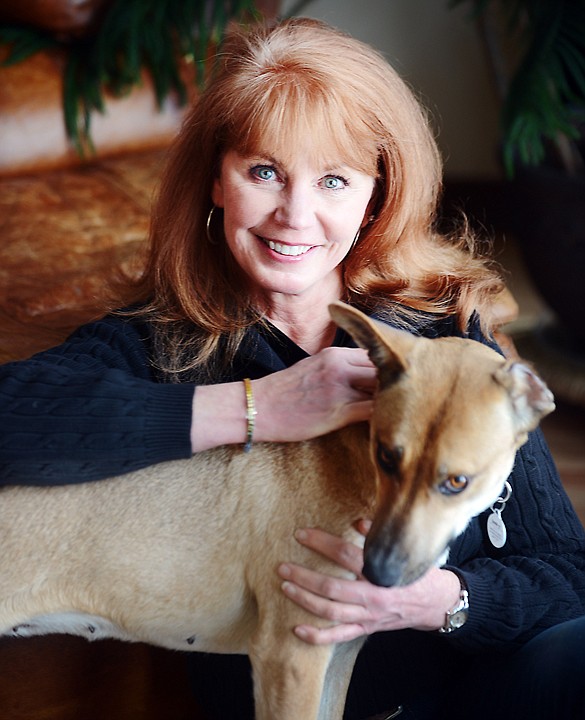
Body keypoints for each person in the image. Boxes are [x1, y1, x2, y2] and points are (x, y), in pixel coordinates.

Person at [1, 16, 584, 720]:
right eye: (264, 172)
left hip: (468, 690)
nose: (294, 215)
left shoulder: (446, 339)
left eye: (334, 180)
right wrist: (253, 409)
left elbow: (564, 575)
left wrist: (441, 602)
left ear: (375, 194)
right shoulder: (163, 342)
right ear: (217, 179)